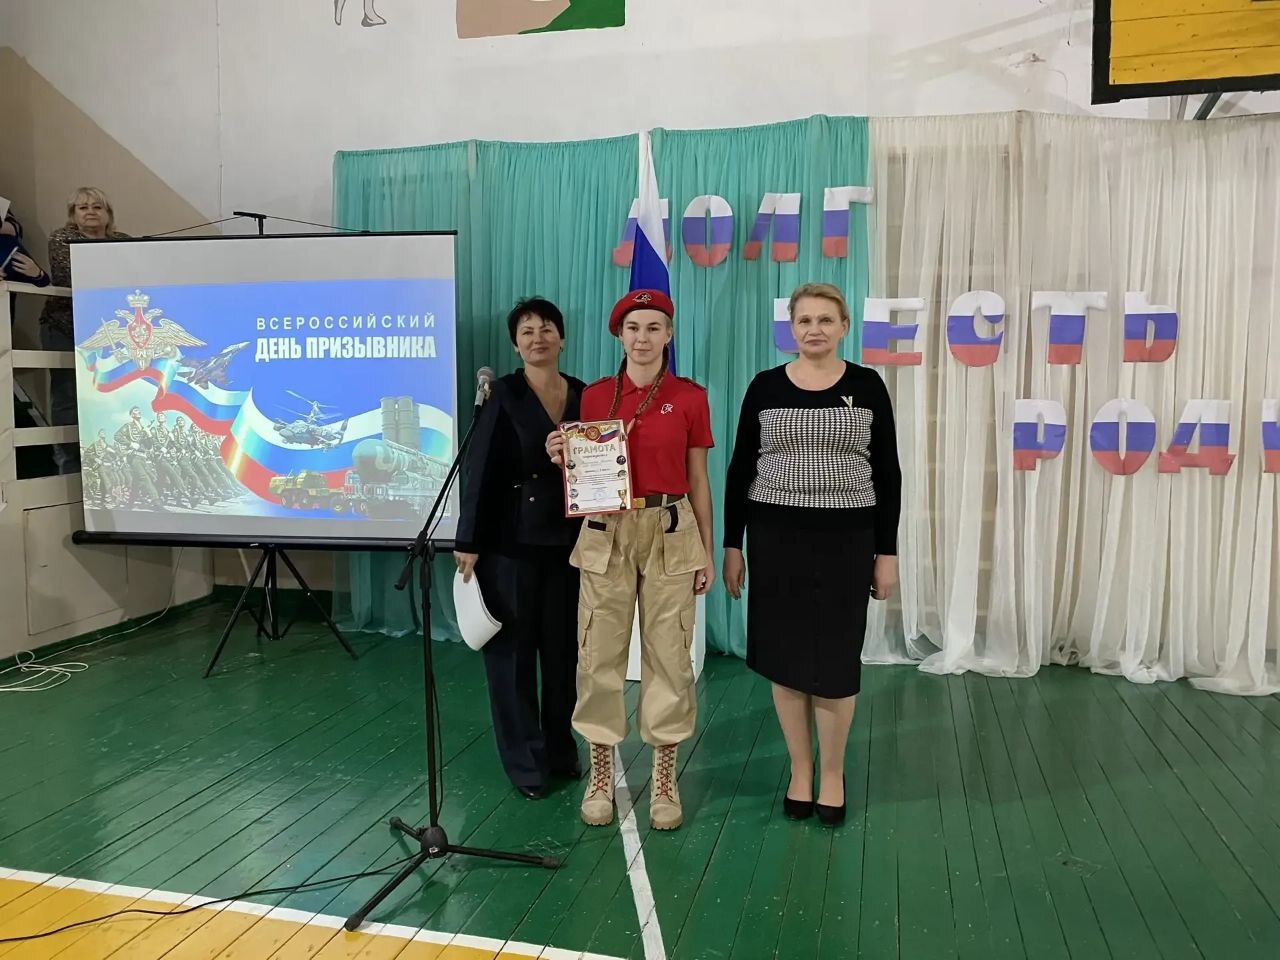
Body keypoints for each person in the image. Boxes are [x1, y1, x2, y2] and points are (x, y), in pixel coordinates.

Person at [722, 282, 901, 827]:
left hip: (848, 540)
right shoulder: (765, 386)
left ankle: (833, 775)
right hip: (775, 539)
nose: (815, 329)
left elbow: (888, 472)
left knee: (836, 662)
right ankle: (801, 770)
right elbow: (740, 468)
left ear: (844, 327)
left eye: (826, 320)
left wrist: (887, 552)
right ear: (791, 328)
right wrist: (732, 544)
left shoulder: (867, 385)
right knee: (786, 659)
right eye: (804, 320)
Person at [546, 289, 715, 831]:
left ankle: (664, 777)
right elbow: (585, 468)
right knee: (598, 653)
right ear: (619, 335)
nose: (643, 338)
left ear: (669, 335)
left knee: (669, 655)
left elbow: (698, 480)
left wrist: (706, 550)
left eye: (654, 328)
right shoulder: (594, 396)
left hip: (670, 527)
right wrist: (562, 457)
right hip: (606, 531)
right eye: (634, 328)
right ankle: (601, 773)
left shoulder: (690, 397)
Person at [454, 298, 586, 799]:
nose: (538, 338)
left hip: (569, 544)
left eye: (547, 328)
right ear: (515, 344)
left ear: (562, 338)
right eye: (527, 331)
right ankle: (525, 764)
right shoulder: (502, 394)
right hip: (508, 544)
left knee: (562, 655)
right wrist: (468, 540)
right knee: (511, 658)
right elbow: (478, 469)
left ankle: (560, 750)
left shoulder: (583, 394)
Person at [39, 187, 129, 474]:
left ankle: (109, 467)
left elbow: (133, 279)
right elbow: (69, 278)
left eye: (97, 207)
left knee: (112, 395)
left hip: (110, 329)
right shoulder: (61, 238)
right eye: (83, 207)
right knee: (67, 396)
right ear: (73, 215)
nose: (91, 212)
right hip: (65, 325)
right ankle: (69, 467)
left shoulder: (124, 241)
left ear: (108, 214)